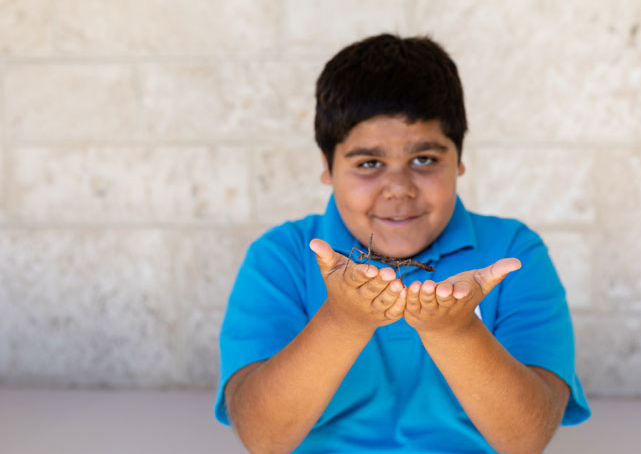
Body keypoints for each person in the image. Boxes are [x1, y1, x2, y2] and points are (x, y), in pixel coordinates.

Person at [214, 34, 591, 453]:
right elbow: (262, 438)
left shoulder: (514, 253)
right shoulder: (280, 258)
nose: (398, 188)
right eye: (369, 164)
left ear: (459, 159)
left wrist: (456, 331)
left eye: (424, 160)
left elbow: (526, 439)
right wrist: (343, 320)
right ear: (327, 165)